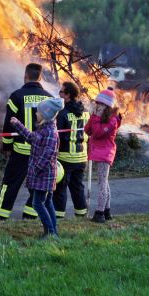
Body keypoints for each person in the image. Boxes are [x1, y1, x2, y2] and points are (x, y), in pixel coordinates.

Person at [0, 63, 53, 221]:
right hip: (40, 153)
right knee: (37, 187)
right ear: (40, 77)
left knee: (10, 184)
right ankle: (30, 217)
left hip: (20, 151)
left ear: (25, 76)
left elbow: (8, 124)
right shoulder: (49, 97)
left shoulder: (16, 96)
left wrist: (7, 146)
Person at [9, 97, 64, 238]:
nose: (35, 114)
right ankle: (53, 232)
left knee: (38, 204)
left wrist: (36, 168)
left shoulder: (50, 132)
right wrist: (18, 125)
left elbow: (48, 154)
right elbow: (31, 138)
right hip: (43, 175)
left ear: (46, 114)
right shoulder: (43, 129)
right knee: (47, 202)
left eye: (38, 112)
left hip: (44, 175)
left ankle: (50, 232)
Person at [54, 82, 90, 219]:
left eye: (61, 92)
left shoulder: (62, 113)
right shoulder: (85, 112)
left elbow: (58, 136)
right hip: (81, 157)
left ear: (68, 95)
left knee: (60, 189)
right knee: (78, 188)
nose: (59, 94)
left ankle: (58, 218)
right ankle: (81, 216)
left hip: (65, 158)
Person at [86, 89, 122, 224]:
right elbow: (87, 130)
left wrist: (95, 118)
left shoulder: (112, 120)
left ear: (106, 106)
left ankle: (100, 213)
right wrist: (93, 117)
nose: (97, 106)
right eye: (96, 104)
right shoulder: (97, 117)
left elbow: (98, 133)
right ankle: (107, 211)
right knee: (104, 182)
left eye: (99, 104)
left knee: (101, 182)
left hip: (105, 152)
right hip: (98, 151)